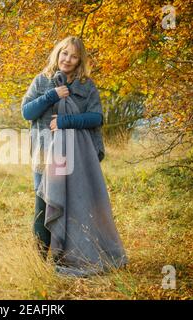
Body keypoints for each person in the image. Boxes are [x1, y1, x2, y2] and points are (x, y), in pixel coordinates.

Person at [21, 36, 128, 277]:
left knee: (77, 206)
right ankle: (38, 263)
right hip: (45, 153)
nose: (67, 59)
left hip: (77, 157)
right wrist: (52, 96)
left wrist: (67, 121)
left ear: (80, 60)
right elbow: (27, 112)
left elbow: (96, 118)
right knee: (45, 205)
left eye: (74, 56)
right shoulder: (42, 81)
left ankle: (73, 256)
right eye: (64, 53)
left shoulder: (86, 85)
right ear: (57, 53)